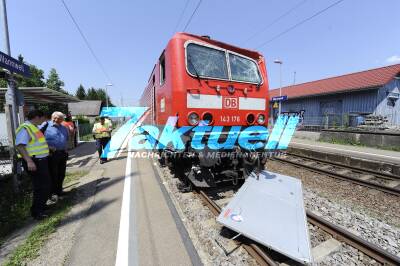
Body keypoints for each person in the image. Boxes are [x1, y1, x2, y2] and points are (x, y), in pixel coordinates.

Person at [15, 110, 51, 220]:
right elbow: (20, 146)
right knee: (40, 187)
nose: (43, 120)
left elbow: (36, 143)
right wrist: (29, 161)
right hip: (34, 162)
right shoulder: (26, 128)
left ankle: (41, 206)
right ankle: (37, 212)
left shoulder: (34, 127)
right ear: (36, 117)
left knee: (45, 185)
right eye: (42, 118)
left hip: (40, 161)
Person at [41, 112, 69, 197]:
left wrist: (65, 149)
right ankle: (52, 193)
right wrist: (49, 147)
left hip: (62, 153)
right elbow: (39, 140)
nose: (58, 120)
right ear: (53, 117)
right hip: (51, 154)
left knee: (61, 174)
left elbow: (66, 139)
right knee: (53, 174)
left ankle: (59, 191)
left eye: (61, 119)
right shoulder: (45, 126)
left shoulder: (63, 127)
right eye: (56, 118)